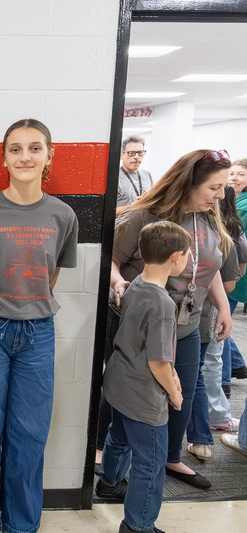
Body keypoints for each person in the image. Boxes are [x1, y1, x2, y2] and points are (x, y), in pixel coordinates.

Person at [0, 119, 79, 533]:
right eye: (15, 149)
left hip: (38, 333)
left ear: (49, 155)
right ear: (3, 156)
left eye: (34, 148)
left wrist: (30, 305)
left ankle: (22, 522)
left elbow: (52, 274)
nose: (24, 157)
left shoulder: (63, 215)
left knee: (29, 433)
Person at [111, 149, 234, 490]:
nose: (220, 196)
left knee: (184, 394)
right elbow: (113, 259)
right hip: (147, 322)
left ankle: (170, 457)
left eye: (223, 187)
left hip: (190, 323)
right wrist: (118, 282)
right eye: (214, 187)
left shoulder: (208, 217)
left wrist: (222, 306)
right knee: (139, 395)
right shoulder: (144, 215)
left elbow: (208, 269)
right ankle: (119, 463)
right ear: (189, 184)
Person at [98, 221, 189, 533]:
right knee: (150, 464)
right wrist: (175, 395)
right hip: (143, 395)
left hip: (119, 382)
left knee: (118, 437)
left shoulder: (134, 284)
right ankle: (139, 525)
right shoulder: (163, 304)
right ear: (177, 257)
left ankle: (109, 483)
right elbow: (158, 362)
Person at [199, 187, 243, 433]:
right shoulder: (220, 234)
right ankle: (215, 416)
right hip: (204, 308)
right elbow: (228, 282)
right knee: (211, 361)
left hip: (207, 306)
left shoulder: (216, 233)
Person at [224, 158, 247, 385]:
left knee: (220, 325)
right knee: (223, 323)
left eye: (241, 174)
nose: (234, 178)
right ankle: (238, 365)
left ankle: (224, 382)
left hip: (237, 273)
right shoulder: (233, 201)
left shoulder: (242, 208)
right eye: (232, 174)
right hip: (236, 271)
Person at [118, 135, 155, 207]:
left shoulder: (147, 174)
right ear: (121, 155)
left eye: (140, 153)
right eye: (131, 153)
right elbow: (108, 212)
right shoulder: (115, 177)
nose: (137, 157)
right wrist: (136, 206)